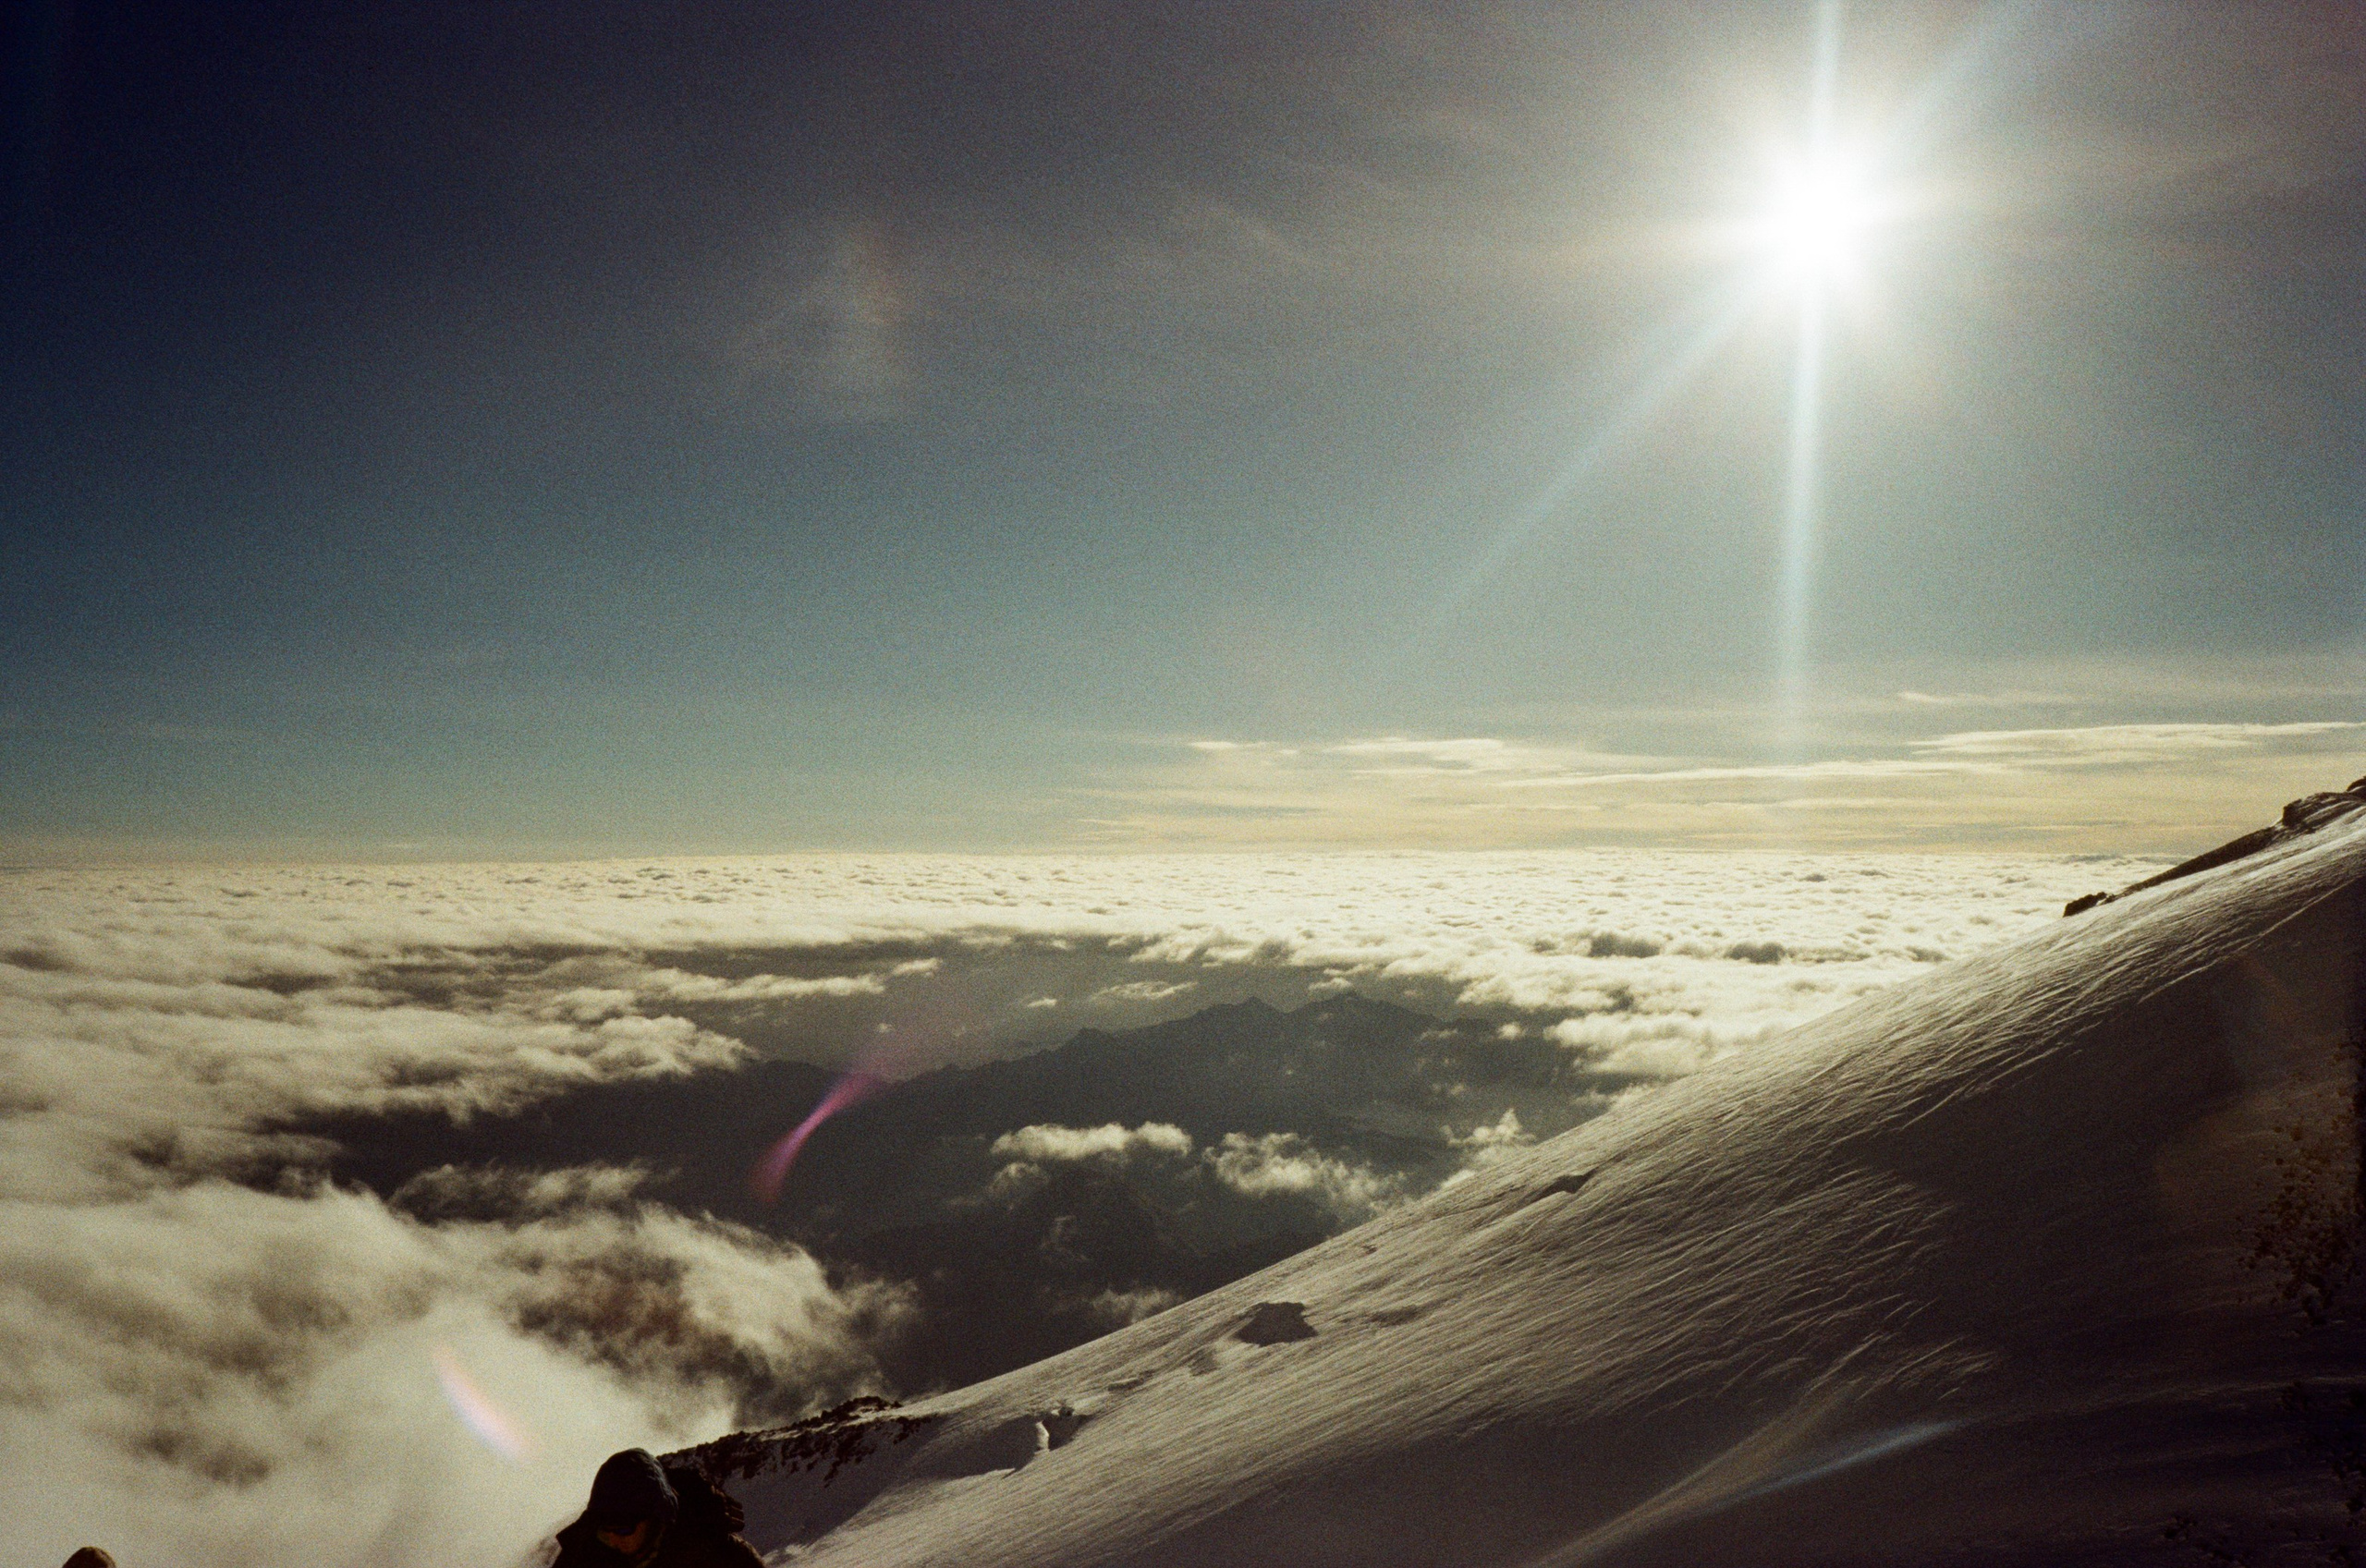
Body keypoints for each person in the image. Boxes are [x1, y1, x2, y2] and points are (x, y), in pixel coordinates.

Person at [551, 1448, 762, 1568]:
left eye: (624, 1529)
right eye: (604, 1530)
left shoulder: (719, 1557)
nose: (613, 1539)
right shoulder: (582, 1557)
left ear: (656, 1517)